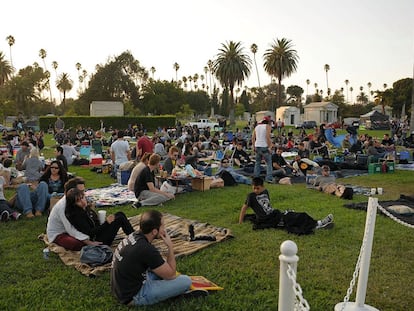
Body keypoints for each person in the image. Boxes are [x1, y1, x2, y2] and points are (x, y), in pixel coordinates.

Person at [111, 210, 198, 306]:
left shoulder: (134, 236)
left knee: (162, 268)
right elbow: (171, 274)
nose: (165, 229)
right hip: (134, 295)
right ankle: (175, 291)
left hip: (122, 288)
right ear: (154, 231)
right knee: (186, 281)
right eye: (163, 226)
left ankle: (171, 289)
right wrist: (170, 247)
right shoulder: (146, 249)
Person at [239, 177, 334, 232]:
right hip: (269, 219)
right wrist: (240, 221)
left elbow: (267, 206)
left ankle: (317, 224)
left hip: (274, 214)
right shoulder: (251, 196)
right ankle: (318, 224)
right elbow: (244, 208)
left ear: (263, 187)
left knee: (295, 216)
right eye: (254, 188)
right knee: (296, 217)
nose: (256, 190)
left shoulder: (266, 192)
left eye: (258, 188)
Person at [65, 187, 134, 246]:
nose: (82, 202)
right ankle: (135, 238)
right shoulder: (77, 215)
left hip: (99, 232)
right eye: (78, 201)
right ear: (73, 204)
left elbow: (95, 223)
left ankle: (133, 235)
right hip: (98, 240)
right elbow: (90, 232)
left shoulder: (85, 208)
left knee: (120, 214)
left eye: (82, 198)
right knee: (120, 218)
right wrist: (107, 223)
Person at [47, 177, 101, 251]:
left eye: (83, 191)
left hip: (72, 230)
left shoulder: (79, 199)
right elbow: (70, 228)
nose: (83, 194)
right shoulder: (63, 207)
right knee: (77, 244)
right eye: (80, 191)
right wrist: (88, 242)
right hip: (60, 233)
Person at [252, 116, 273, 183]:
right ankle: (269, 178)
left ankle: (256, 177)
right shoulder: (267, 126)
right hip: (264, 146)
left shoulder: (257, 127)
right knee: (269, 163)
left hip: (257, 146)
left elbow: (253, 138)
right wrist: (270, 146)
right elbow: (267, 137)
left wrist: (253, 146)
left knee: (257, 163)